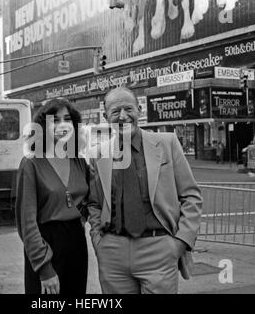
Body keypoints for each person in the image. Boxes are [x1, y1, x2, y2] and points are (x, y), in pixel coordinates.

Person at [87, 87, 203, 294]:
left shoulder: (168, 144)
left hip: (159, 249)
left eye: (128, 108)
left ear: (139, 110)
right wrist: (99, 242)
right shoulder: (97, 155)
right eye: (115, 111)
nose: (123, 116)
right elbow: (94, 203)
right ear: (106, 117)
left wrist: (180, 242)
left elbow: (191, 195)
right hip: (113, 253)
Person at [15, 98, 89, 295]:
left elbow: (88, 202)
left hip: (76, 243)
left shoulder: (79, 161)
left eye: (67, 119)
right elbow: (27, 223)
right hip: (45, 244)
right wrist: (44, 268)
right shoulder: (31, 163)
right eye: (55, 120)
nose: (62, 125)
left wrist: (80, 221)